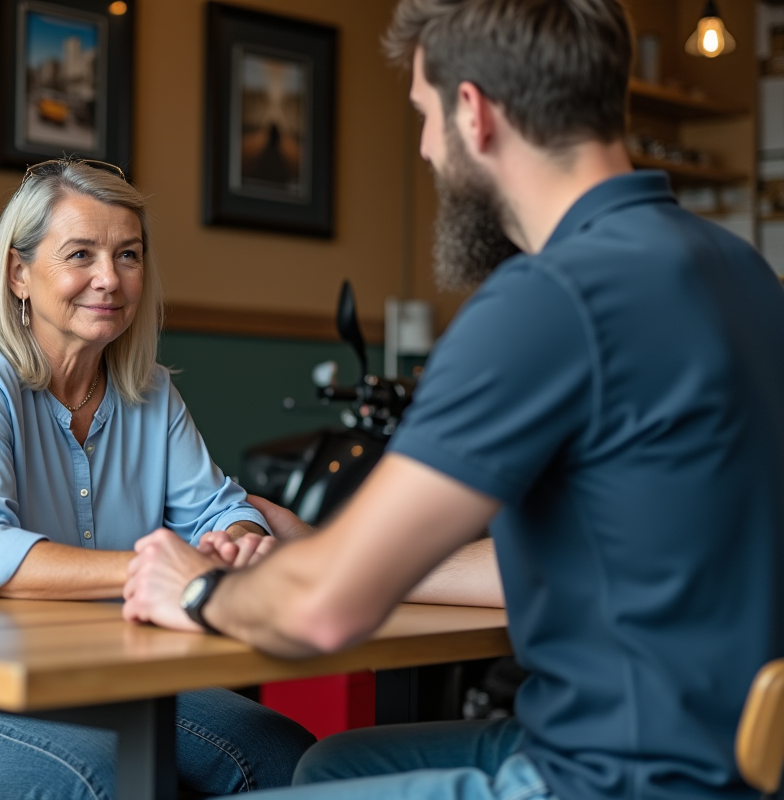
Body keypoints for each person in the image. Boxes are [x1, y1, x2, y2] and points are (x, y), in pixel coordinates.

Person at [122, 1, 784, 799]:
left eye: (425, 116)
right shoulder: (742, 271)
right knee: (326, 765)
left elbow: (324, 615)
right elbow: (553, 564)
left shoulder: (548, 299)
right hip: (736, 762)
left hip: (614, 777)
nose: (429, 149)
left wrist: (195, 590)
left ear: (474, 112)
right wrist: (323, 548)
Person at [0, 158, 317, 799]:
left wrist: (241, 538)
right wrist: (160, 572)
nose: (109, 279)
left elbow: (218, 508)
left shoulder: (152, 393)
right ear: (19, 273)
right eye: (80, 254)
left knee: (285, 759)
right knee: (111, 785)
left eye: (128, 255)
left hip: (102, 675)